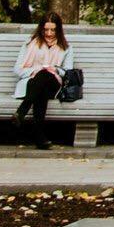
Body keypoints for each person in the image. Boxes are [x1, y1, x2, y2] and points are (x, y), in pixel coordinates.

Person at [11, 17, 74, 150]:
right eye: (46, 29)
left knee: (46, 74)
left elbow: (68, 71)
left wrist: (54, 69)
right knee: (41, 88)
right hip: (32, 82)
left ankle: (22, 110)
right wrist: (37, 70)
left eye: (53, 30)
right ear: (41, 29)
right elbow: (17, 69)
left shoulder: (66, 47)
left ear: (59, 30)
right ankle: (39, 137)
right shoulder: (29, 44)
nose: (49, 33)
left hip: (54, 83)